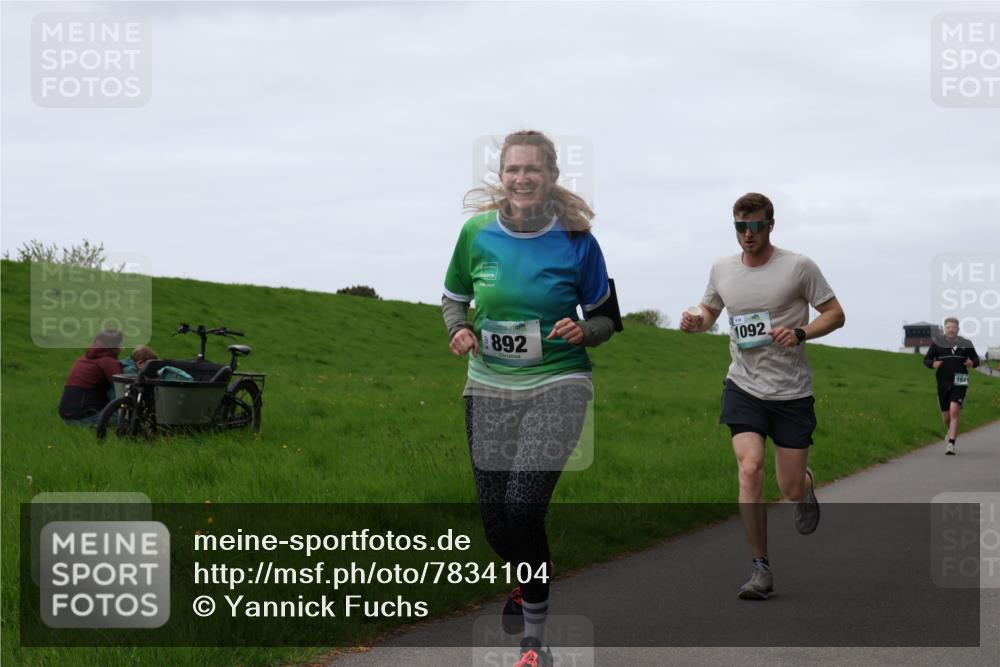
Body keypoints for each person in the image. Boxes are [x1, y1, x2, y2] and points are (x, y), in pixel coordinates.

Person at [442, 130, 620, 667]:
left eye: (533, 170)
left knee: (524, 506)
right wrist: (459, 330)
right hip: (488, 386)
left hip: (558, 383)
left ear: (551, 177)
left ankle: (534, 641)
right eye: (513, 169)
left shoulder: (577, 240)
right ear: (501, 176)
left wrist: (584, 332)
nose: (522, 178)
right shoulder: (475, 234)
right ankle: (524, 582)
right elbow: (454, 299)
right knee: (498, 522)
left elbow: (609, 317)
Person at [680, 192, 845, 600]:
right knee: (749, 469)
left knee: (787, 488)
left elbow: (835, 313)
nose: (748, 234)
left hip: (791, 392)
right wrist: (694, 320)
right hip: (744, 385)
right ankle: (760, 568)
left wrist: (802, 332)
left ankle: (804, 488)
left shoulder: (798, 267)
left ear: (771, 225)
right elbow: (709, 312)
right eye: (740, 226)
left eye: (755, 226)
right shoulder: (722, 268)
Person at [923, 318, 979, 455]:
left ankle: (951, 444)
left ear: (958, 329)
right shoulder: (937, 343)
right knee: (946, 417)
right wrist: (933, 364)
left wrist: (972, 363)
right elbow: (926, 360)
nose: (951, 329)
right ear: (945, 329)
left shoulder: (966, 343)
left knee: (954, 410)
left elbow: (976, 359)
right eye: (948, 327)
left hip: (960, 380)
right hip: (943, 382)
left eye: (953, 327)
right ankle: (951, 431)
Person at [58, 328, 124, 426]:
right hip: (85, 419)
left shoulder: (83, 358)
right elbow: (123, 390)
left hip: (66, 418)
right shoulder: (109, 362)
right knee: (127, 415)